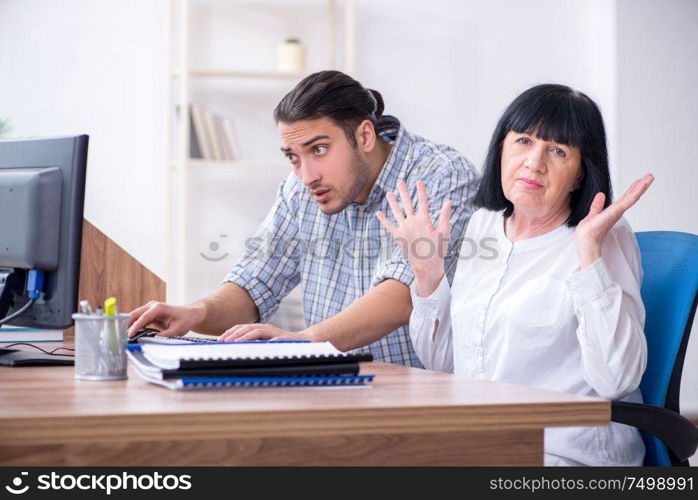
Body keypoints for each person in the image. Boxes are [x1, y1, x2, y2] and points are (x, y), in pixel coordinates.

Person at [377, 83, 653, 465]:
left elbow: (617, 381)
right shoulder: (484, 225)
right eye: (523, 141)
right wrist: (428, 274)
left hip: (565, 454)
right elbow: (448, 367)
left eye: (558, 151)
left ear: (579, 173)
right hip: (485, 441)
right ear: (501, 148)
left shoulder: (604, 237)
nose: (534, 163)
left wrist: (588, 252)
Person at [128, 70, 479, 367]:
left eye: (319, 150)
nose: (306, 174)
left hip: (417, 399)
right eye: (292, 157)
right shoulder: (300, 190)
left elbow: (404, 296)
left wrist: (302, 341)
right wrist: (194, 314)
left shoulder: (440, 174)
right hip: (330, 390)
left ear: (365, 135)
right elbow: (253, 284)